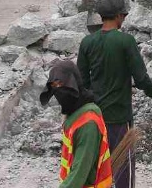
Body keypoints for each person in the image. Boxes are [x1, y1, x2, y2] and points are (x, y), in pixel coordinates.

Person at [77, 0, 152, 188]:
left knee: (97, 167)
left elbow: (83, 83)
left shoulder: (87, 43)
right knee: (122, 171)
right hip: (118, 117)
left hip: (94, 117)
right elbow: (141, 78)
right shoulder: (125, 41)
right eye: (124, 15)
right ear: (119, 16)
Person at [40, 59, 113, 188]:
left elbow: (79, 173)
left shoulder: (88, 123)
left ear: (73, 85)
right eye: (54, 87)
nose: (58, 92)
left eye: (61, 85)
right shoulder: (75, 113)